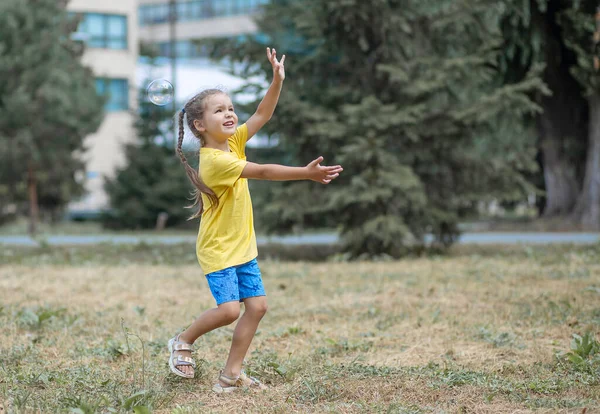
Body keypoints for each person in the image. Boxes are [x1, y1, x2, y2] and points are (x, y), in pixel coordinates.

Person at [168, 47, 343, 393]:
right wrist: (305, 173)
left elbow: (263, 113)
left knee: (258, 307)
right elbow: (262, 171)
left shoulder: (233, 142)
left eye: (231, 108)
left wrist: (276, 80)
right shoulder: (214, 161)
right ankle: (182, 340)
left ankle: (230, 376)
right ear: (200, 125)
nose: (230, 114)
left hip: (242, 246)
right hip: (218, 249)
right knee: (231, 310)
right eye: (219, 110)